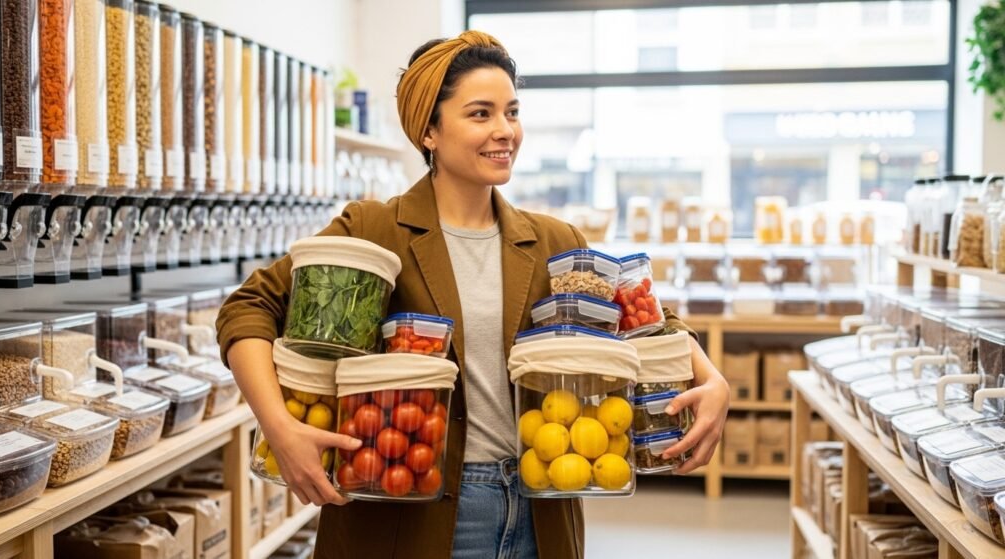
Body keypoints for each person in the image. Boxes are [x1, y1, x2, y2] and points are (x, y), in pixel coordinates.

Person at [216, 30, 730, 559]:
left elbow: (643, 318)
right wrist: (279, 427)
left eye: (512, 112)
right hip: (414, 513)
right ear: (430, 131)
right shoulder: (373, 229)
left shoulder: (555, 241)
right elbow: (249, 307)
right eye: (481, 114)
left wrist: (711, 378)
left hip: (543, 505)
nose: (505, 130)